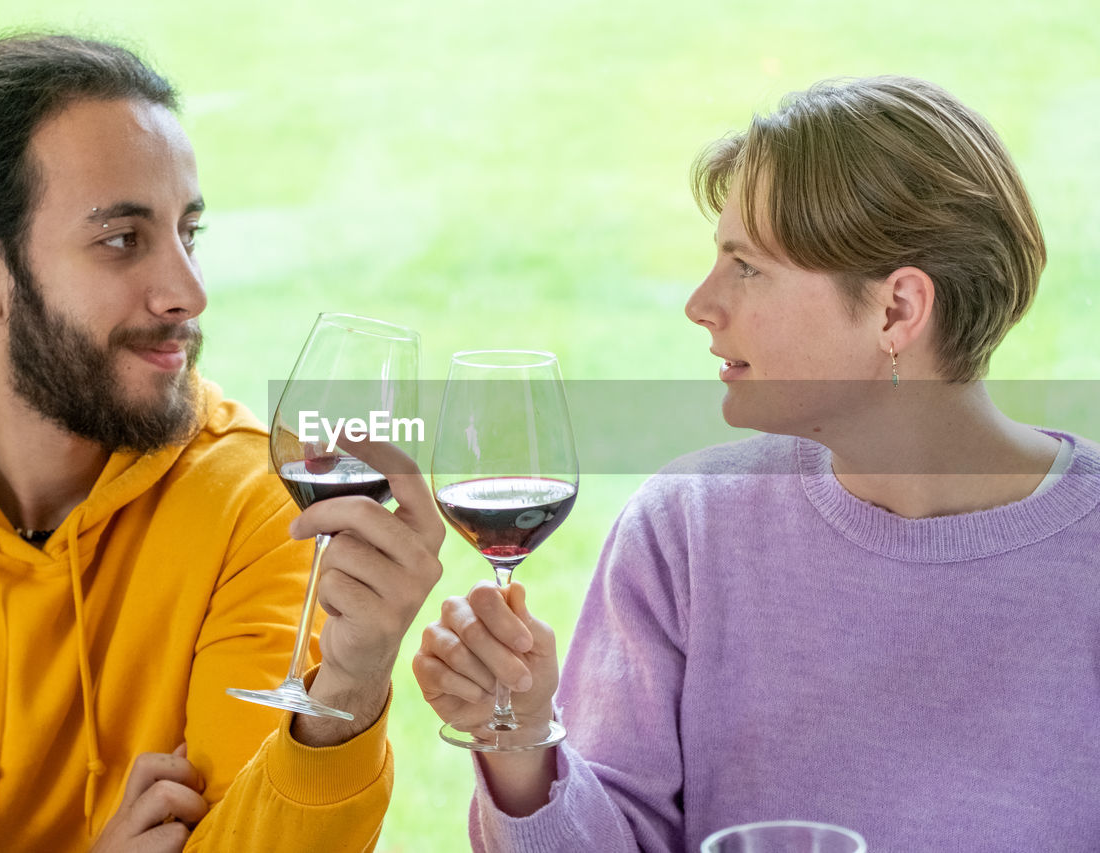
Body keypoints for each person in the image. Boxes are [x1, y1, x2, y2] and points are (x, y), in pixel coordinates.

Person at [413, 75, 1100, 851]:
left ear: (897, 309)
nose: (701, 303)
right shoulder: (689, 528)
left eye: (747, 267)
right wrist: (522, 743)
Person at [0, 34, 444, 852]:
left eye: (189, 232)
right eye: (123, 239)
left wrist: (353, 686)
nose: (188, 292)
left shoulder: (258, 503)